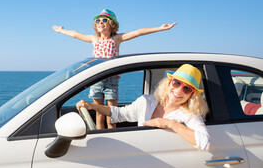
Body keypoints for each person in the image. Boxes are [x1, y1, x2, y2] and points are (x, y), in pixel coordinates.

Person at [54, 9, 177, 129]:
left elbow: (138, 32)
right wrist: (61, 31)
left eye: (104, 20)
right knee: (99, 114)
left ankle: (112, 136)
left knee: (111, 116)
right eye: (98, 21)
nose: (100, 22)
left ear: (112, 24)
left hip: (111, 80)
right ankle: (101, 138)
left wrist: (160, 28)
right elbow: (76, 34)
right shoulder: (94, 39)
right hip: (96, 80)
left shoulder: (116, 39)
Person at [76, 64, 211, 151]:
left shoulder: (189, 114)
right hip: (143, 155)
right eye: (176, 83)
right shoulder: (147, 101)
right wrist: (92, 106)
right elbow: (118, 114)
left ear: (192, 95)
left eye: (187, 88)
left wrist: (169, 123)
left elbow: (206, 143)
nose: (179, 90)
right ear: (169, 83)